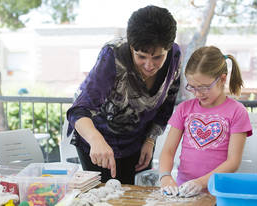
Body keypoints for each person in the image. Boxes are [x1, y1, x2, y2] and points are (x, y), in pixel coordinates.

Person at [66, 5, 181, 184]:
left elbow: (166, 106)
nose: (149, 65)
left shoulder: (174, 56)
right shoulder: (113, 55)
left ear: (168, 49)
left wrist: (150, 140)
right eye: (141, 56)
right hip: (99, 141)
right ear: (131, 46)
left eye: (157, 57)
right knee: (105, 199)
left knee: (139, 198)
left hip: (139, 141)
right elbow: (79, 110)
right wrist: (96, 139)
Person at [159, 46, 252, 197]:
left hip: (219, 192)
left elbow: (233, 162)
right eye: (192, 87)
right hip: (184, 192)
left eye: (204, 87)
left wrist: (200, 182)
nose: (197, 93)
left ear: (222, 79)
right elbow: (168, 151)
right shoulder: (184, 109)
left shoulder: (237, 112)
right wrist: (165, 176)